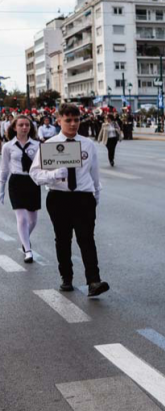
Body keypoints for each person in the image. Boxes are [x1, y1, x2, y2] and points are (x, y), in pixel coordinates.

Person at [28, 104, 110, 297]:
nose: (73, 124)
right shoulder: (49, 145)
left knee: (87, 239)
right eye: (68, 120)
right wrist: (54, 175)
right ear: (59, 121)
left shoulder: (87, 144)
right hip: (59, 197)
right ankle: (67, 278)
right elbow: (35, 173)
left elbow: (94, 173)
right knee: (63, 240)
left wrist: (95, 195)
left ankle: (93, 281)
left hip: (83, 197)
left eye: (76, 120)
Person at [0, 115, 42, 263]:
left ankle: (25, 239)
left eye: (27, 125)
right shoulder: (7, 147)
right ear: (14, 127)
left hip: (32, 181)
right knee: (22, 218)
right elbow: (4, 168)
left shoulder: (37, 145)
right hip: (16, 181)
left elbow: (43, 165)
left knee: (33, 220)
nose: (24, 127)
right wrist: (1, 188)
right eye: (21, 125)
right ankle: (28, 250)